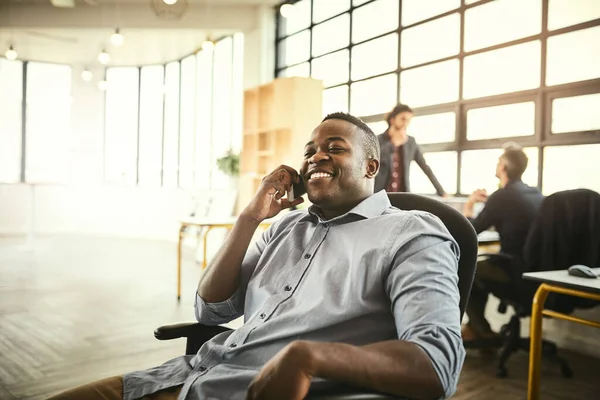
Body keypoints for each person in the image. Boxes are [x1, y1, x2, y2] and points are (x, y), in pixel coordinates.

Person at [49, 112, 465, 400]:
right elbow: (212, 310)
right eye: (310, 150)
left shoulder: (411, 232)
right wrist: (249, 218)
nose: (316, 155)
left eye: (334, 148)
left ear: (371, 167)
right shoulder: (286, 226)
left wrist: (309, 356)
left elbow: (436, 364)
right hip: (184, 376)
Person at [461, 144, 544, 342]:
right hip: (538, 270)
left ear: (503, 167)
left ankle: (482, 331)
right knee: (481, 268)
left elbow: (469, 231)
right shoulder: (535, 193)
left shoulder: (502, 197)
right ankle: (475, 328)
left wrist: (470, 204)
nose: (497, 165)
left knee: (466, 268)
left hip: (515, 270)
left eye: (499, 161)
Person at [374, 104, 446, 196]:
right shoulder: (377, 140)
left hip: (402, 197)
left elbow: (425, 167)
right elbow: (373, 162)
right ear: (392, 120)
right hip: (380, 195)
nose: (406, 123)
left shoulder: (410, 142)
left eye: (408, 120)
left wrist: (441, 192)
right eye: (403, 119)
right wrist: (393, 144)